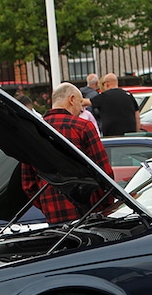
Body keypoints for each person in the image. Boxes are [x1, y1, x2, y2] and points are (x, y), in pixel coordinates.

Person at [22, 82, 114, 224]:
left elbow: (28, 183)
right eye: (80, 102)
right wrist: (104, 206)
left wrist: (47, 205)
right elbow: (104, 172)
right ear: (71, 99)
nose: (82, 108)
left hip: (53, 214)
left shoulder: (32, 132)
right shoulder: (83, 127)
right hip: (89, 212)